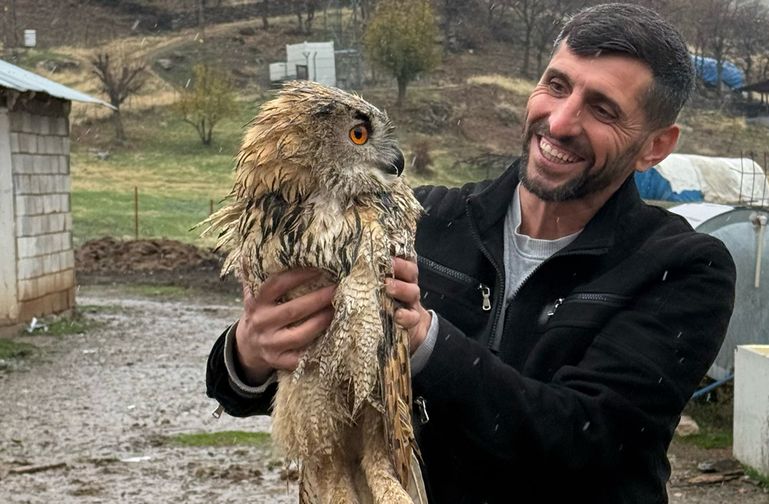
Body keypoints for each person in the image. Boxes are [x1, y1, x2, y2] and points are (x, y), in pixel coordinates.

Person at [205, 3, 736, 503]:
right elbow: (310, 383)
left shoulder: (682, 268)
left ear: (655, 145)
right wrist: (250, 353)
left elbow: (592, 441)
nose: (559, 122)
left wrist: (426, 344)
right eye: (556, 85)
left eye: (602, 110)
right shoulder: (424, 219)